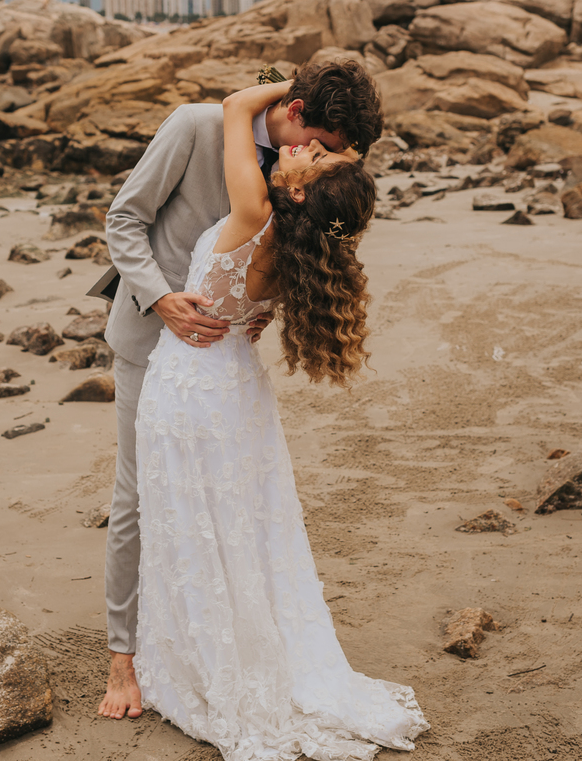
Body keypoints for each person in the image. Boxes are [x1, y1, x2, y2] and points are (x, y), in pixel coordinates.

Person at [125, 78, 429, 760]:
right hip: (237, 393)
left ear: (297, 191)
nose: (302, 154)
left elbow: (235, 107)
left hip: (186, 389)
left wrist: (294, 86)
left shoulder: (252, 212)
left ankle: (205, 667)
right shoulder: (305, 253)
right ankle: (241, 652)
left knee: (194, 526)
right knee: (244, 529)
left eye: (313, 161)